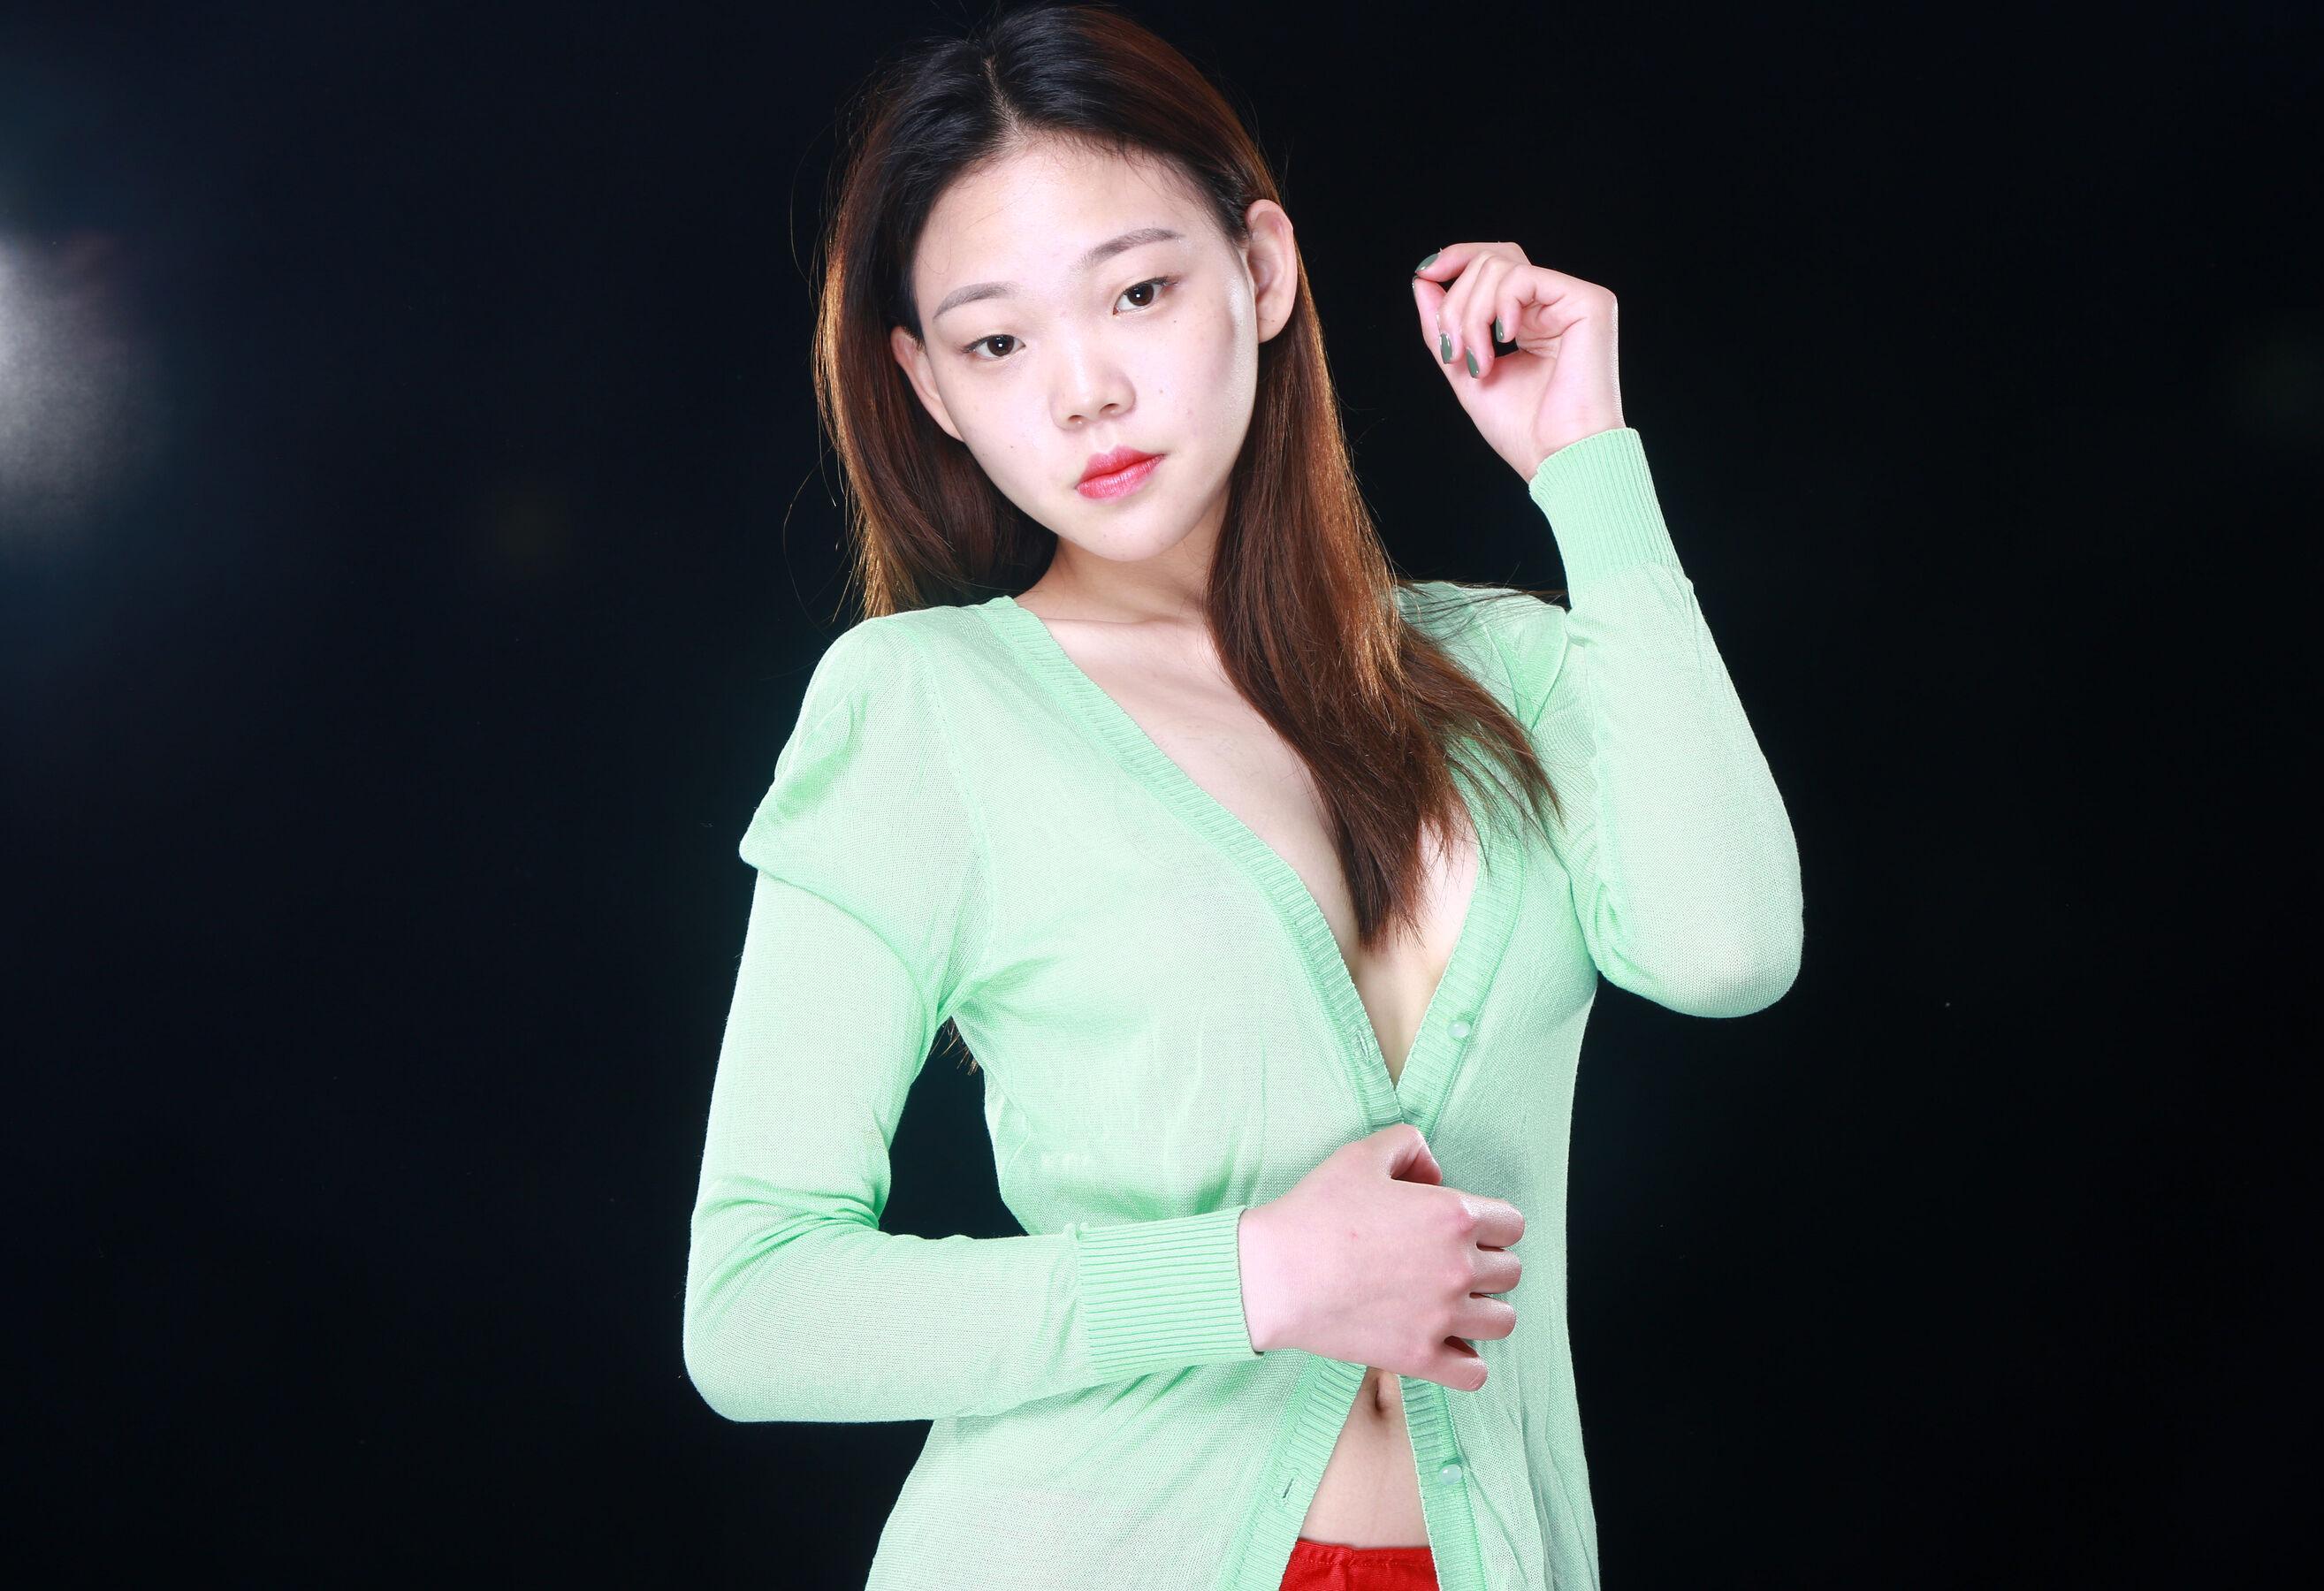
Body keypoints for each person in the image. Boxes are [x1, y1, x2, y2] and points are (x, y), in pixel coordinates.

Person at [680, 4, 1804, 1588]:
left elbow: (1730, 949)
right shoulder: (926, 707)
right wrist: (1252, 1277)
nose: (1084, 391)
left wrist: (1589, 468)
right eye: (998, 343)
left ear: (1263, 271)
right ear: (928, 385)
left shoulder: (1512, 668)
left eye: (1138, 292)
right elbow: (755, 1309)